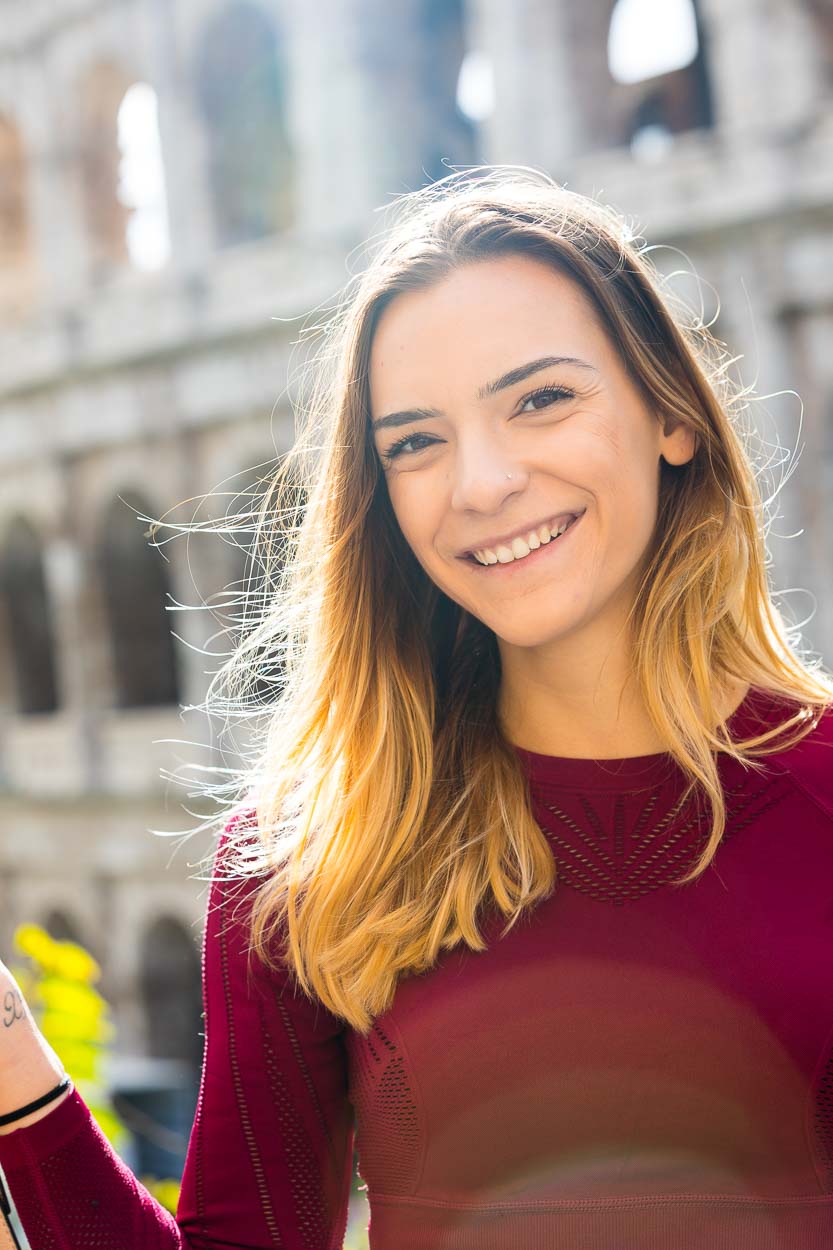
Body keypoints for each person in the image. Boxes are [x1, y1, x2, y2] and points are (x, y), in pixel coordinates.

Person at [1, 167, 832, 1250]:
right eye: (414, 442)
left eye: (540, 398)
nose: (480, 481)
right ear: (381, 497)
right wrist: (16, 1071)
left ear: (672, 414)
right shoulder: (305, 859)